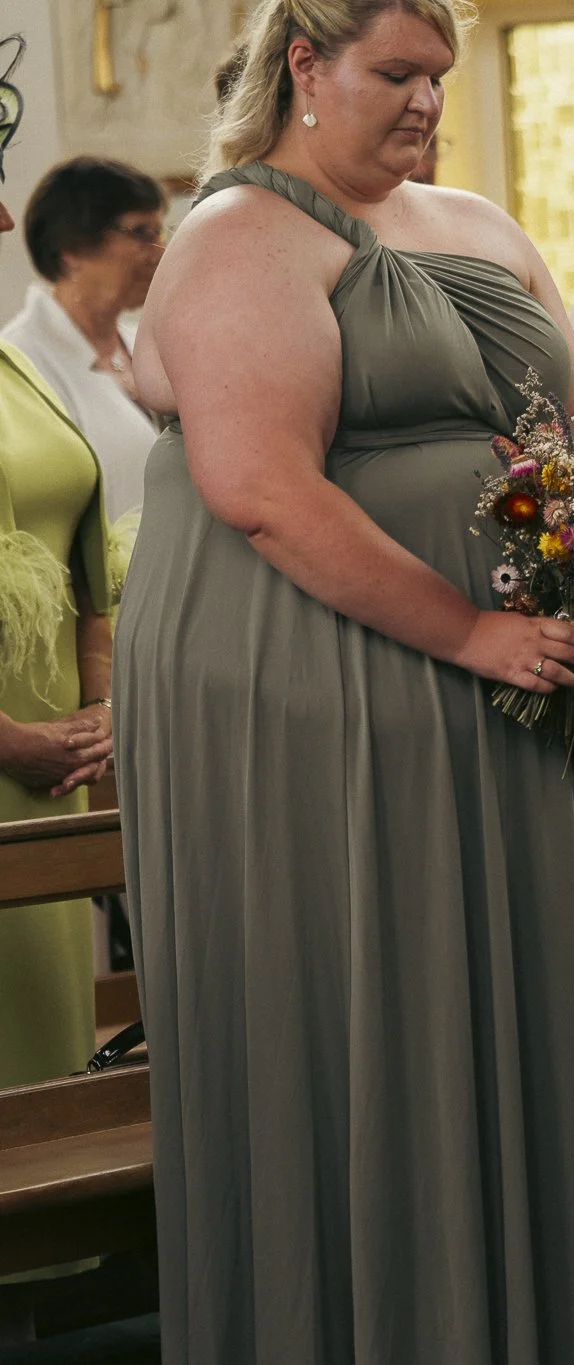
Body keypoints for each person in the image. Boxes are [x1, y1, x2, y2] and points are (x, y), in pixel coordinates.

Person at [114, 2, 574, 1361]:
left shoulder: (473, 222)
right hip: (318, 681)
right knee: (374, 1004)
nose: (426, 102)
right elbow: (261, 489)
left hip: (523, 675)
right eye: (396, 74)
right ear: (304, 64)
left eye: (439, 77)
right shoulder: (237, 238)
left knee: (528, 1010)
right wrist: (471, 634)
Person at [0, 44, 115, 1102]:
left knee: (51, 1054)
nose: (4, 221)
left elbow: (87, 551)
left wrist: (96, 707)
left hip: (52, 773)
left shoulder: (17, 367)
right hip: (8, 752)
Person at [2, 156, 166, 521]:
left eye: (159, 232)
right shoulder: (19, 365)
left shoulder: (145, 342)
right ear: (72, 248)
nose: (160, 251)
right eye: (142, 233)